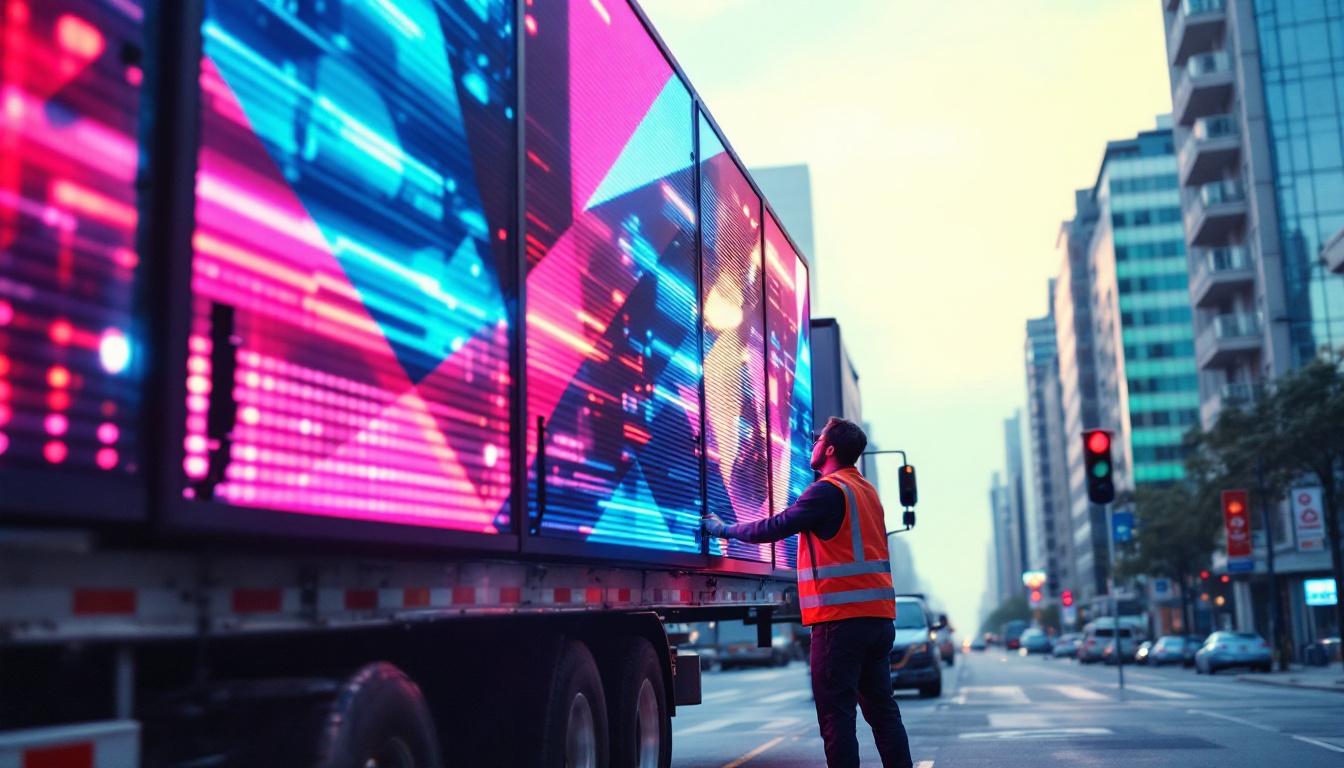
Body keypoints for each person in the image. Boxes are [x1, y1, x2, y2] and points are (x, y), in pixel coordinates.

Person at [703, 417, 912, 768]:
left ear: (830, 449)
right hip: (877, 621)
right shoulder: (866, 491)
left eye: (818, 440)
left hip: (839, 625)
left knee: (837, 719)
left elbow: (775, 526)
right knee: (884, 715)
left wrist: (724, 529)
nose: (812, 444)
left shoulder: (827, 491)